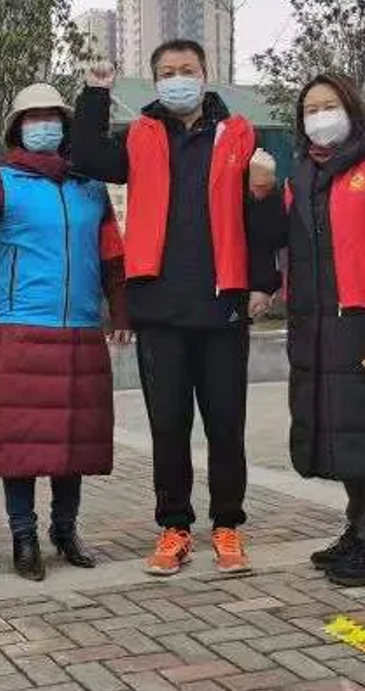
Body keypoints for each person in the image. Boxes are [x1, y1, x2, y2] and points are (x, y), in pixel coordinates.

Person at [72, 42, 278, 576]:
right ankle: (174, 526)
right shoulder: (140, 135)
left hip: (222, 305)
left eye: (187, 70)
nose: (177, 79)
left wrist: (263, 282)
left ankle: (227, 525)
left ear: (206, 75)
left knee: (226, 425)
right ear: (154, 81)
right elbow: (88, 156)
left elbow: (258, 219)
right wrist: (95, 94)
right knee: (168, 425)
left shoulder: (239, 135)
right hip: (159, 305)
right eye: (167, 72)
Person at [0, 84, 131, 580]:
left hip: (81, 329)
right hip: (24, 327)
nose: (43, 125)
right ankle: (23, 536)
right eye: (33, 117)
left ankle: (65, 530)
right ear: (17, 129)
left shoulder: (89, 187)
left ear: (65, 128)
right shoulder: (2, 181)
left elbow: (113, 255)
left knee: (74, 441)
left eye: (52, 117)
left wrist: (121, 311)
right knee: (22, 443)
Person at [249, 73, 365, 587]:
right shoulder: (305, 174)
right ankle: (359, 530)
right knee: (342, 433)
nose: (319, 117)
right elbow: (279, 240)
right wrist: (261, 193)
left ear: (352, 108)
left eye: (329, 105)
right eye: (310, 109)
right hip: (318, 325)